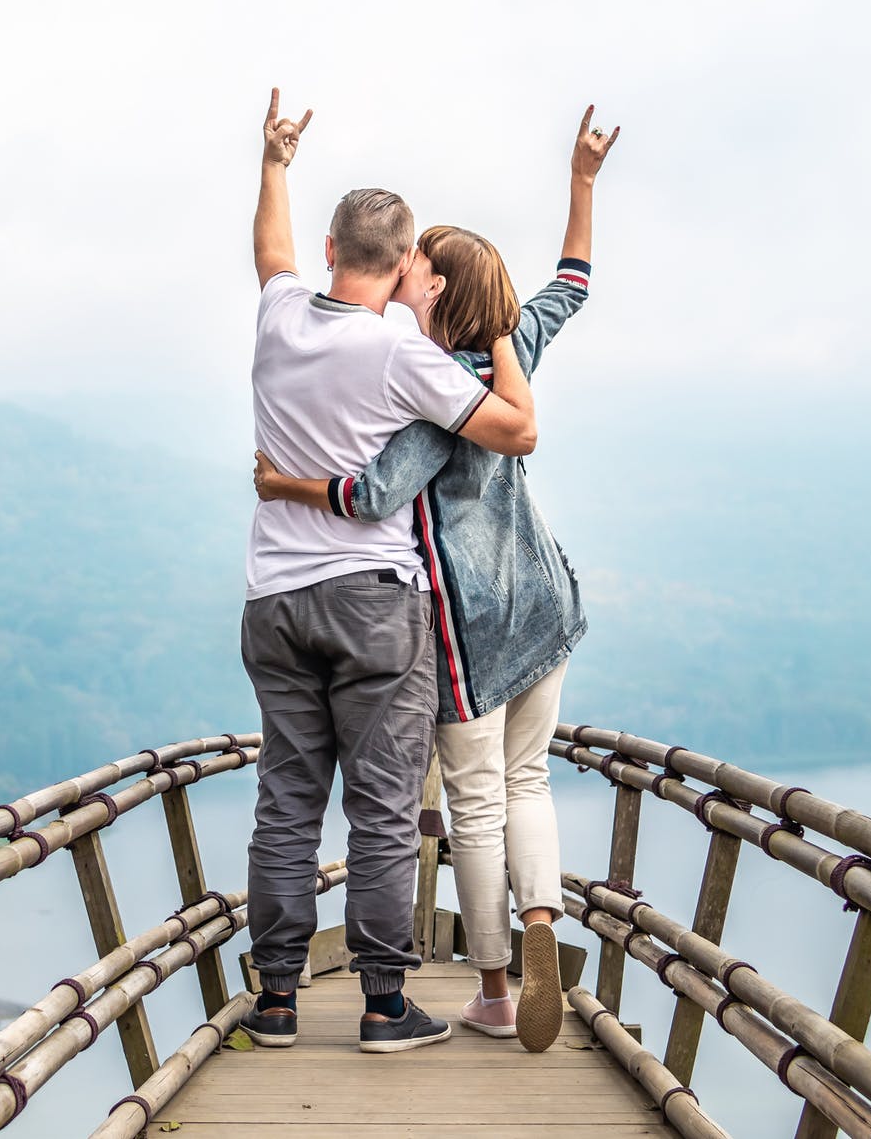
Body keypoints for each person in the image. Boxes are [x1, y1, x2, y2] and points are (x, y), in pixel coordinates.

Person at [253, 106, 620, 1053]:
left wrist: (281, 480)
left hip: (419, 623)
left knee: (443, 802)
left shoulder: (369, 356)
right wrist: (581, 181)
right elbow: (567, 289)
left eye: (426, 268)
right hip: (530, 608)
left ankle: (465, 987)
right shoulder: (476, 353)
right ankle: (499, 943)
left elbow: (374, 489)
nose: (413, 271)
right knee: (509, 783)